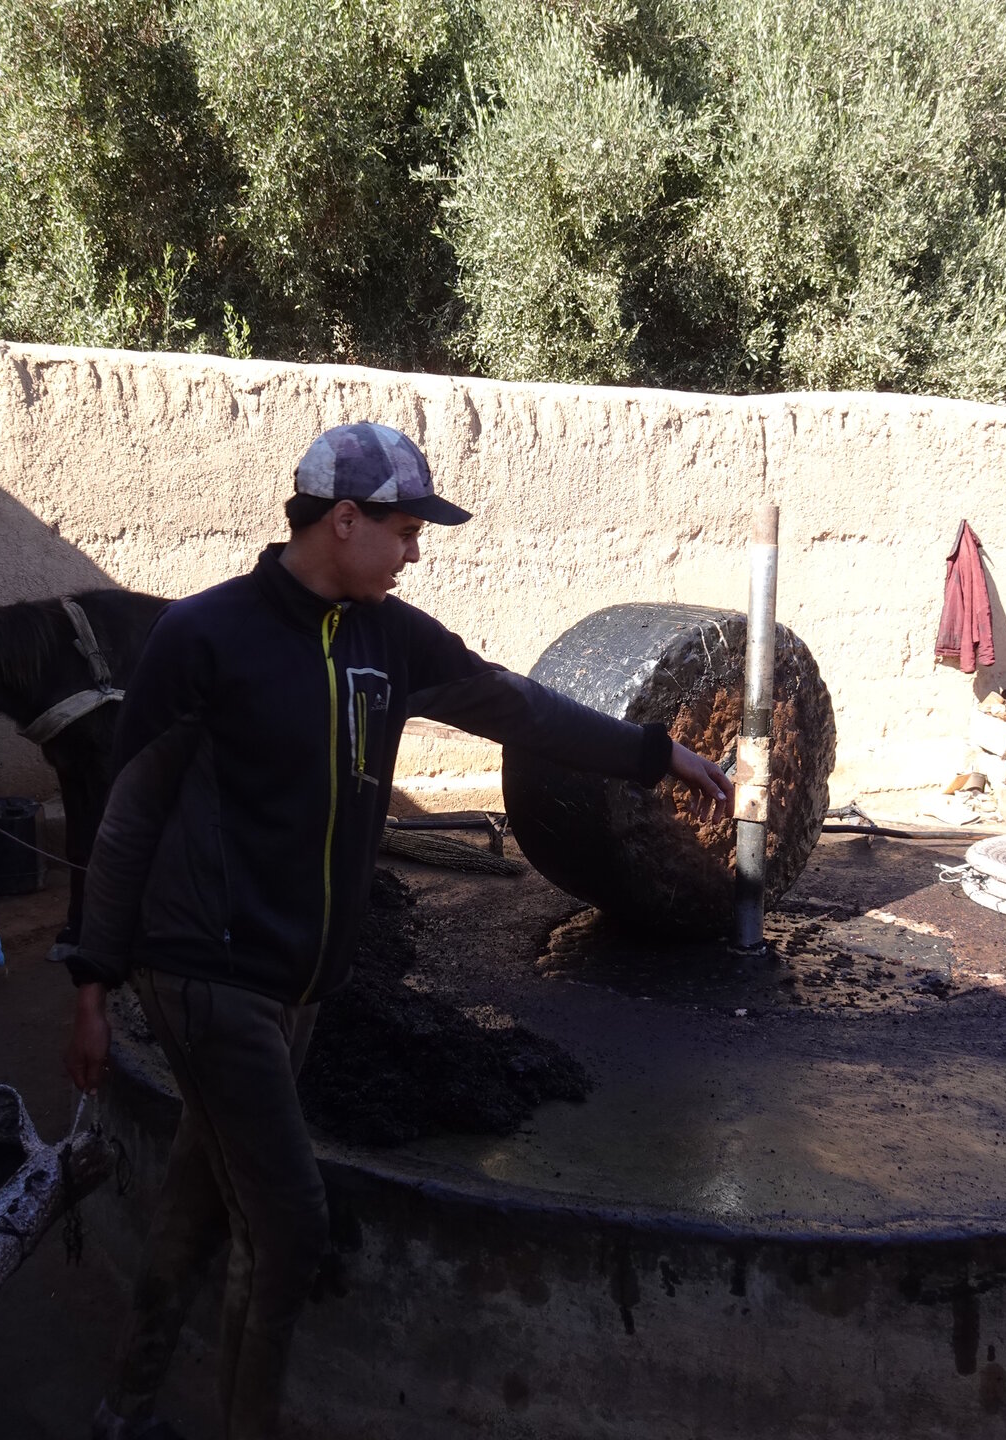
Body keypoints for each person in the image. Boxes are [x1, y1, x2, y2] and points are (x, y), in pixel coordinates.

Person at [65, 422, 731, 1440]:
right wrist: (91, 981)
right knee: (288, 1227)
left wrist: (652, 753)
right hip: (205, 972)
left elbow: (518, 706)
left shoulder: (392, 639)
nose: (417, 549)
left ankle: (118, 1407)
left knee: (205, 1197)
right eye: (407, 528)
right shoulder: (203, 638)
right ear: (344, 519)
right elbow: (129, 813)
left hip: (301, 982)